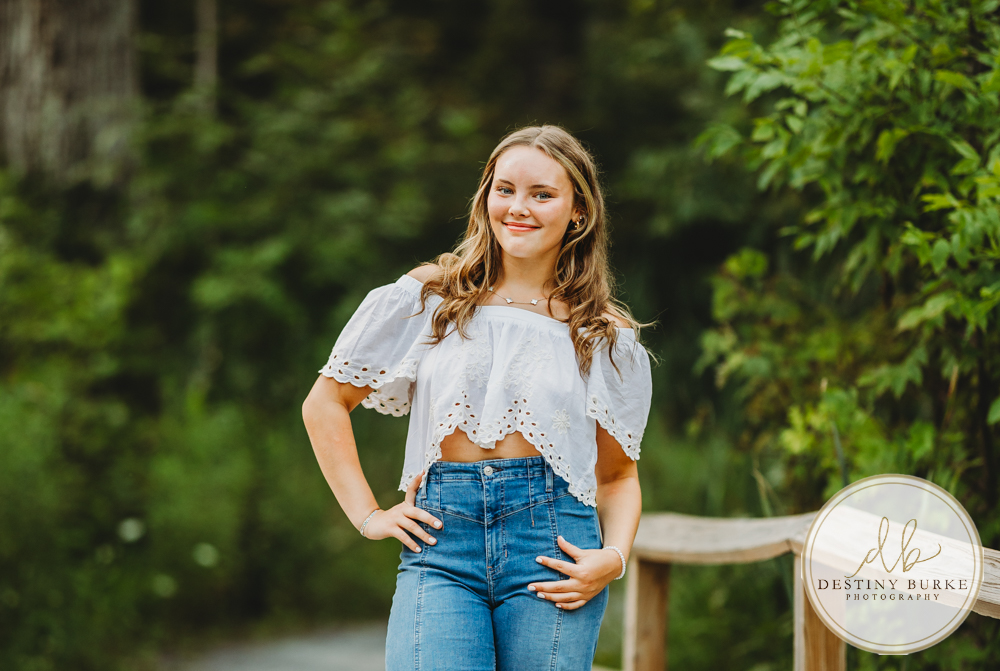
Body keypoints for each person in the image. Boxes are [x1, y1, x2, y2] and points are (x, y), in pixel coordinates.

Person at [302, 124, 655, 670]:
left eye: (542, 194)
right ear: (486, 195)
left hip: (555, 544)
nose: (519, 207)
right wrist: (368, 515)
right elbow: (325, 403)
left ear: (577, 211)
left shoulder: (602, 335)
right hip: (442, 543)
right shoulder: (431, 297)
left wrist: (614, 557)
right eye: (505, 189)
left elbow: (617, 477)